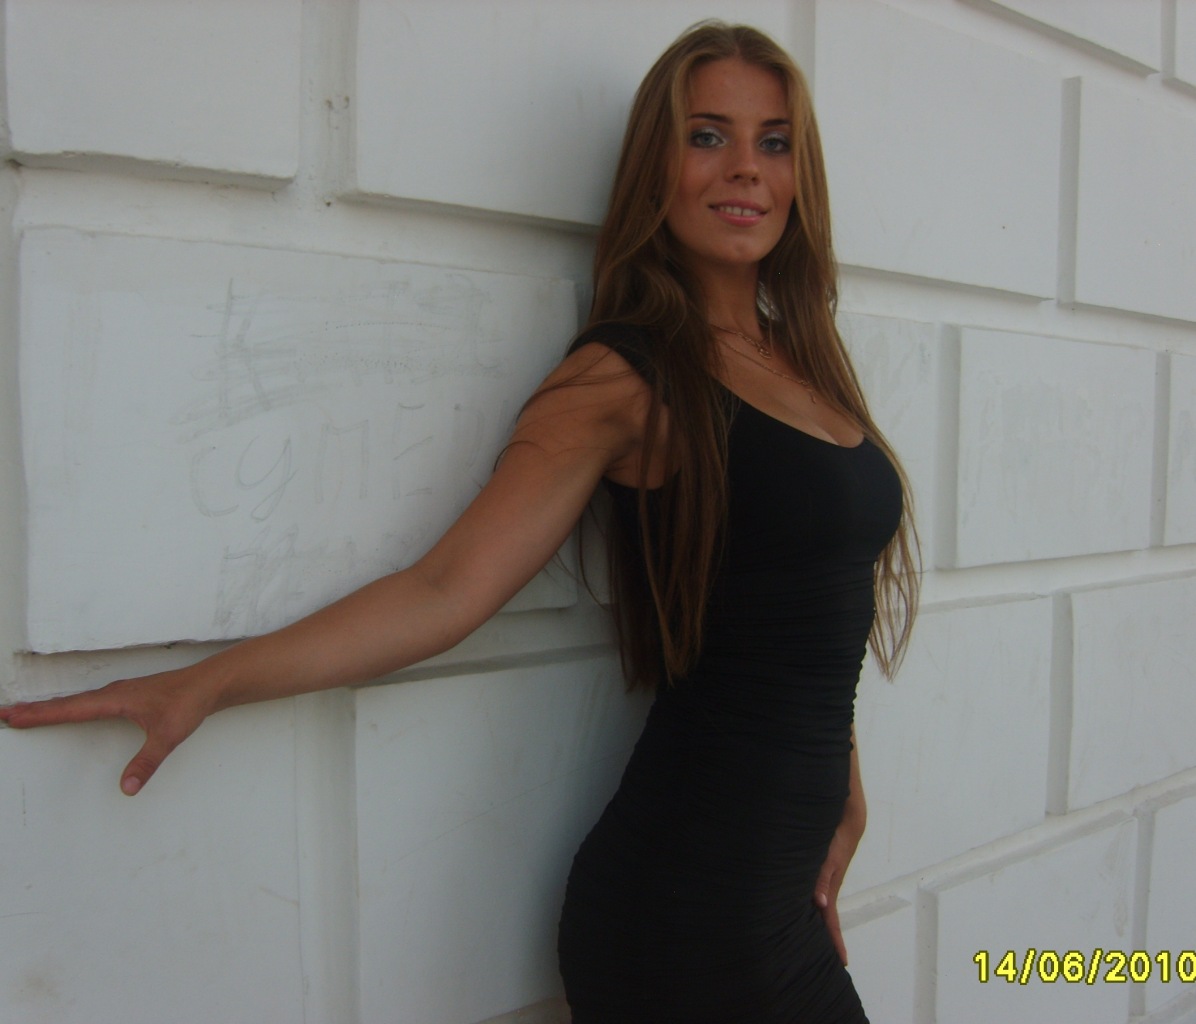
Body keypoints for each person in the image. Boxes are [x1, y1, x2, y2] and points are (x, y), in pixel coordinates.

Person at [0, 21, 918, 1024]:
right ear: (654, 166)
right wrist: (206, 683)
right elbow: (443, 590)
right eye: (707, 136)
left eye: (773, 141)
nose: (744, 167)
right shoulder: (624, 377)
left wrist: (843, 777)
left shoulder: (802, 360)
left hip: (769, 892)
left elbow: (805, 602)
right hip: (692, 907)